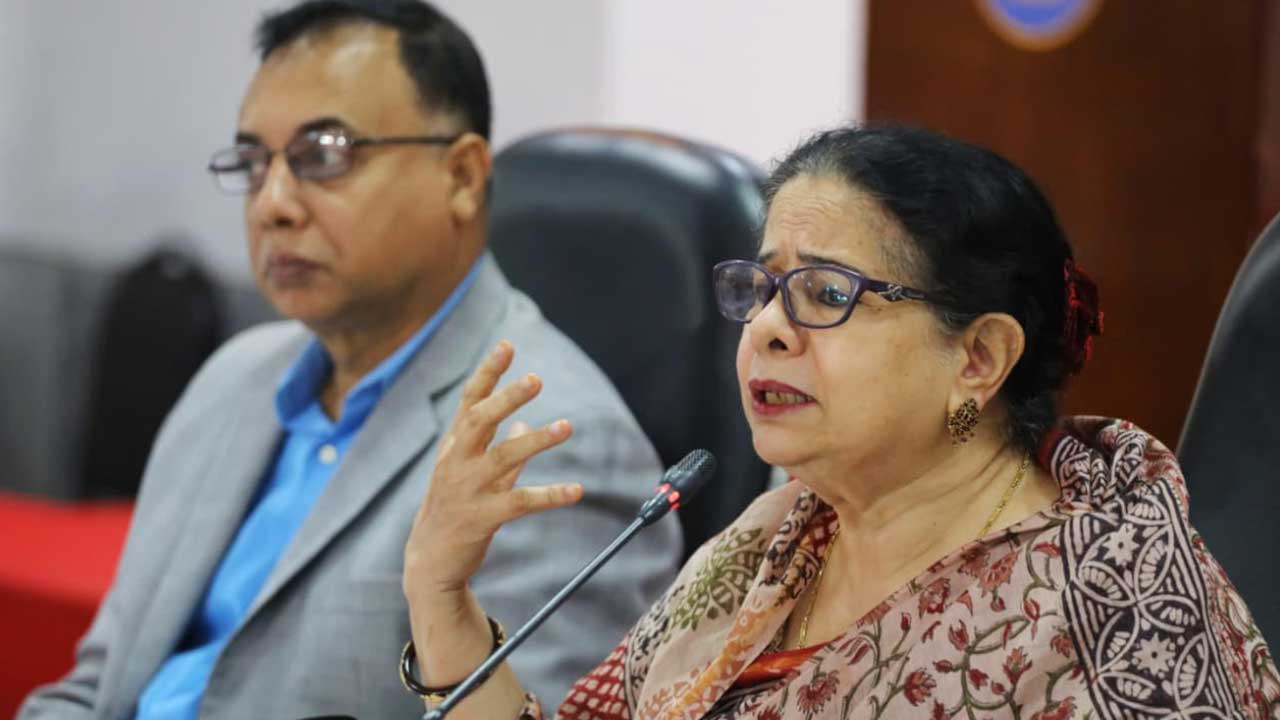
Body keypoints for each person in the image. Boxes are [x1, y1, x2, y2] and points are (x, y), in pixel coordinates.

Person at [402, 124, 1280, 719]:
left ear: (978, 358)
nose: (767, 328)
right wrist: (441, 598)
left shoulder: (1109, 615)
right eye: (762, 287)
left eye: (826, 293)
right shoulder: (772, 542)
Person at [19, 1, 680, 718]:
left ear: (461, 176)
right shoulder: (230, 381)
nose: (272, 204)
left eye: (324, 155)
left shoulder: (547, 441)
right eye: (254, 163)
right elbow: (98, 686)